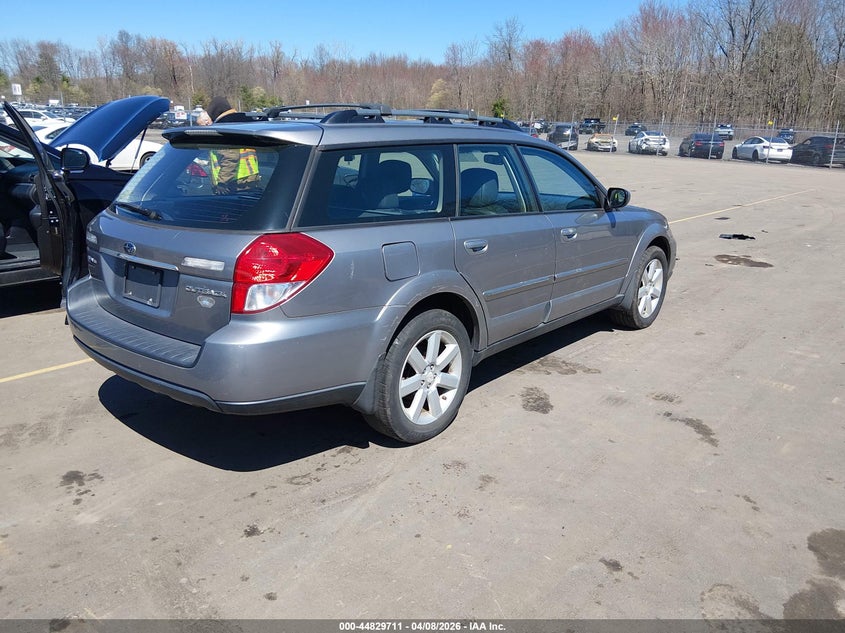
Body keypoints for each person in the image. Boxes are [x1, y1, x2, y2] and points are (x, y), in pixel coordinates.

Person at [198, 97, 260, 193]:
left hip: (234, 186)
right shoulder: (239, 125)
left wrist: (222, 183)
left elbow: (230, 158)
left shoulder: (223, 129)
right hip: (246, 182)